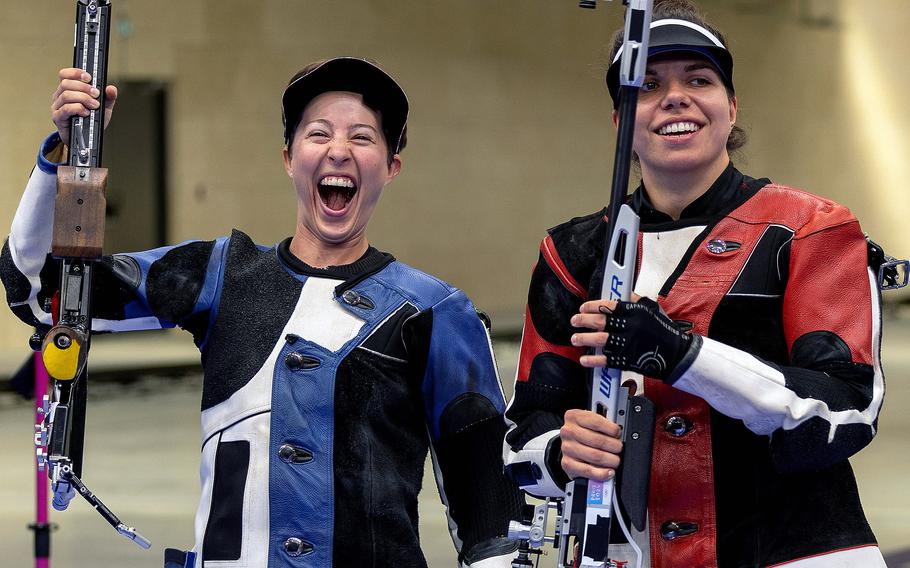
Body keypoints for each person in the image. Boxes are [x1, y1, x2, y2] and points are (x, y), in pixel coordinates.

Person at [1, 57, 522, 568]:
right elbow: (35, 291)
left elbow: (490, 518)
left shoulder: (435, 311)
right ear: (289, 158)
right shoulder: (220, 275)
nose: (339, 150)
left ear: (391, 167)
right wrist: (65, 155)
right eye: (318, 134)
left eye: (363, 137)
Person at [502, 1, 890, 566]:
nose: (675, 97)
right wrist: (564, 453)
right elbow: (523, 438)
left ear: (730, 108)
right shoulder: (571, 253)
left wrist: (684, 355)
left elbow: (845, 413)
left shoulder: (809, 229)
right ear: (619, 123)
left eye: (699, 79)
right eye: (650, 84)